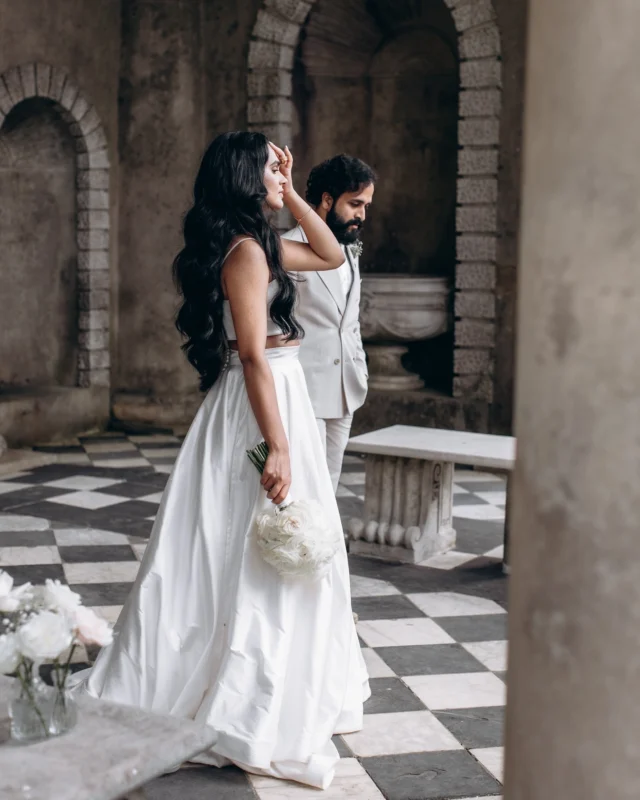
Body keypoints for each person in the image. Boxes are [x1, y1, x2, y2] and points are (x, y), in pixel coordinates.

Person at [70, 132, 370, 790]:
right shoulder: (243, 254)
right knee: (237, 543)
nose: (279, 170)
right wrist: (283, 446)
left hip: (281, 395)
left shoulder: (262, 244)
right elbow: (256, 355)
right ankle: (228, 684)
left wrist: (291, 192)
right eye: (270, 165)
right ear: (241, 176)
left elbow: (328, 251)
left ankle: (282, 673)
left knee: (268, 543)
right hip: (261, 406)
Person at [282, 155, 376, 492]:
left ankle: (323, 547)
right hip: (304, 390)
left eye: (366, 205)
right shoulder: (287, 248)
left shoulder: (349, 248)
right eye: (355, 204)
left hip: (345, 390)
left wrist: (360, 369)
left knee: (329, 487)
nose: (362, 214)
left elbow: (349, 322)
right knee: (305, 489)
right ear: (326, 199)